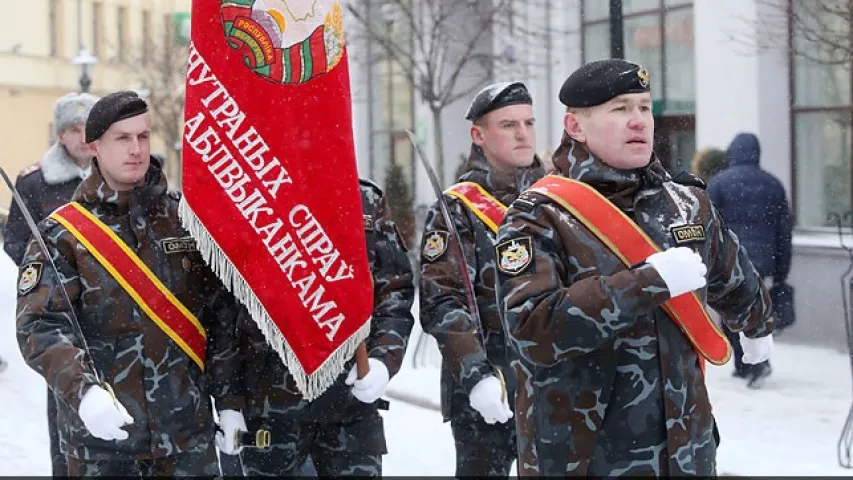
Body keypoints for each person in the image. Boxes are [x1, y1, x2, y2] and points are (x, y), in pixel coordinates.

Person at [494, 59, 777, 476]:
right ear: (576, 127)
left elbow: (730, 271)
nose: (639, 121)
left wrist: (756, 322)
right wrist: (647, 283)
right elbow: (533, 329)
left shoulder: (684, 203)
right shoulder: (539, 217)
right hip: (586, 456)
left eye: (644, 107)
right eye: (620, 109)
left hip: (687, 450)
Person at [15, 91, 244, 476]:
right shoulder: (63, 234)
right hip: (104, 444)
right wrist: (83, 392)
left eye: (143, 136)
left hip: (187, 440)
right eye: (122, 138)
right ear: (94, 147)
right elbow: (39, 327)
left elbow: (219, 317)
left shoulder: (186, 221)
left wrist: (230, 400)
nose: (136, 149)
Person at [239, 178, 415, 477]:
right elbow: (226, 306)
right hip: (272, 409)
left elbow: (394, 292)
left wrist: (384, 359)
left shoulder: (364, 198)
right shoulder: (249, 194)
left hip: (350, 408)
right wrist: (228, 398)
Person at [419, 81, 544, 477]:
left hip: (554, 386)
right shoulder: (457, 208)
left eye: (528, 122)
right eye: (508, 125)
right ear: (479, 135)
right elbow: (443, 301)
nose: (523, 133)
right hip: (487, 388)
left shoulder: (559, 196)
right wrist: (475, 376)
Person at [3, 91, 98, 476]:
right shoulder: (35, 182)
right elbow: (14, 240)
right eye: (72, 129)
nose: (80, 137)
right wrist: (48, 273)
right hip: (62, 311)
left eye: (86, 128)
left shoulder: (118, 175)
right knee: (66, 403)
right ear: (60, 135)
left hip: (115, 306)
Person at [708, 132, 793, 388]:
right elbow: (783, 231)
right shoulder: (773, 184)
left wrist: (710, 261)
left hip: (732, 258)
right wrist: (781, 269)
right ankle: (751, 361)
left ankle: (750, 363)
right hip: (765, 260)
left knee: (732, 308)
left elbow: (709, 225)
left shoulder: (719, 183)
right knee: (757, 308)